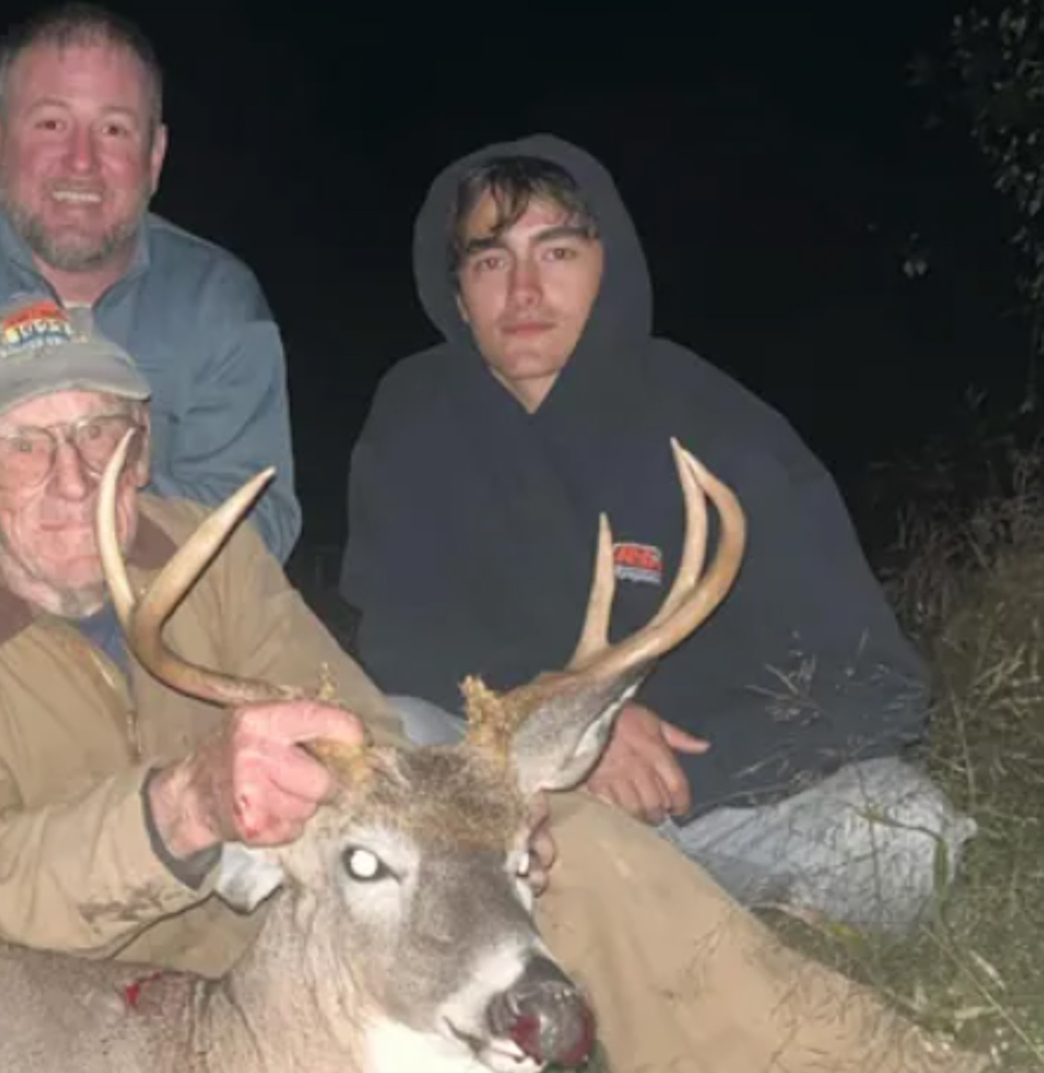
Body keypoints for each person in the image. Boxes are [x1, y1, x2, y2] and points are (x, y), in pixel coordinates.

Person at [0, 295, 986, 1073]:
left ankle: (871, 1057)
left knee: (576, 852)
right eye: (29, 445)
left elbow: (367, 735)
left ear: (144, 442)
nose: (78, 476)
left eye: (104, 435)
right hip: (79, 1010)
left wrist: (485, 825)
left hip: (299, 942)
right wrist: (178, 813)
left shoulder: (204, 552)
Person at [339, 133, 977, 936]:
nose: (525, 290)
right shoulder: (415, 414)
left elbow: (878, 684)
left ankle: (676, 935)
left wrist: (683, 772)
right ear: (458, 292)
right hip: (509, 804)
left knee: (906, 829)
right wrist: (573, 732)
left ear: (610, 264)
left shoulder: (716, 421)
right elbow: (399, 638)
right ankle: (613, 937)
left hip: (696, 810)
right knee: (394, 726)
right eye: (491, 260)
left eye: (558, 251)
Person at [0, 1, 299, 579]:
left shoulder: (221, 303)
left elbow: (257, 526)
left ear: (154, 158)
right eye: (52, 124)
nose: (81, 162)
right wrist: (142, 502)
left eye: (113, 129)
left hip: (153, 635)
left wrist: (9, 493)